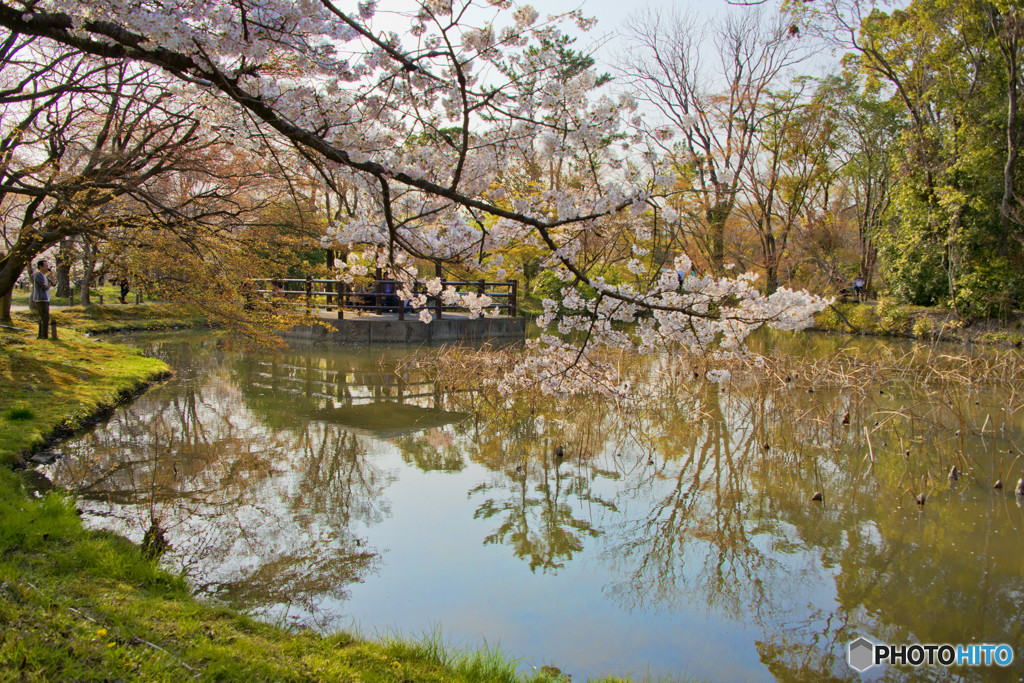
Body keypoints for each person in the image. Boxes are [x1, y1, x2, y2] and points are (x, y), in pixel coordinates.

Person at [32, 260, 54, 339]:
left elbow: (53, 283)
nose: (47, 267)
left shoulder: (44, 276)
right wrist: (49, 285)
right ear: (40, 266)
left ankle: (41, 335)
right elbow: (45, 287)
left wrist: (51, 275)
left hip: (46, 299)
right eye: (45, 266)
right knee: (45, 317)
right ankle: (43, 335)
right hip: (41, 299)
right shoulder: (38, 275)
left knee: (45, 317)